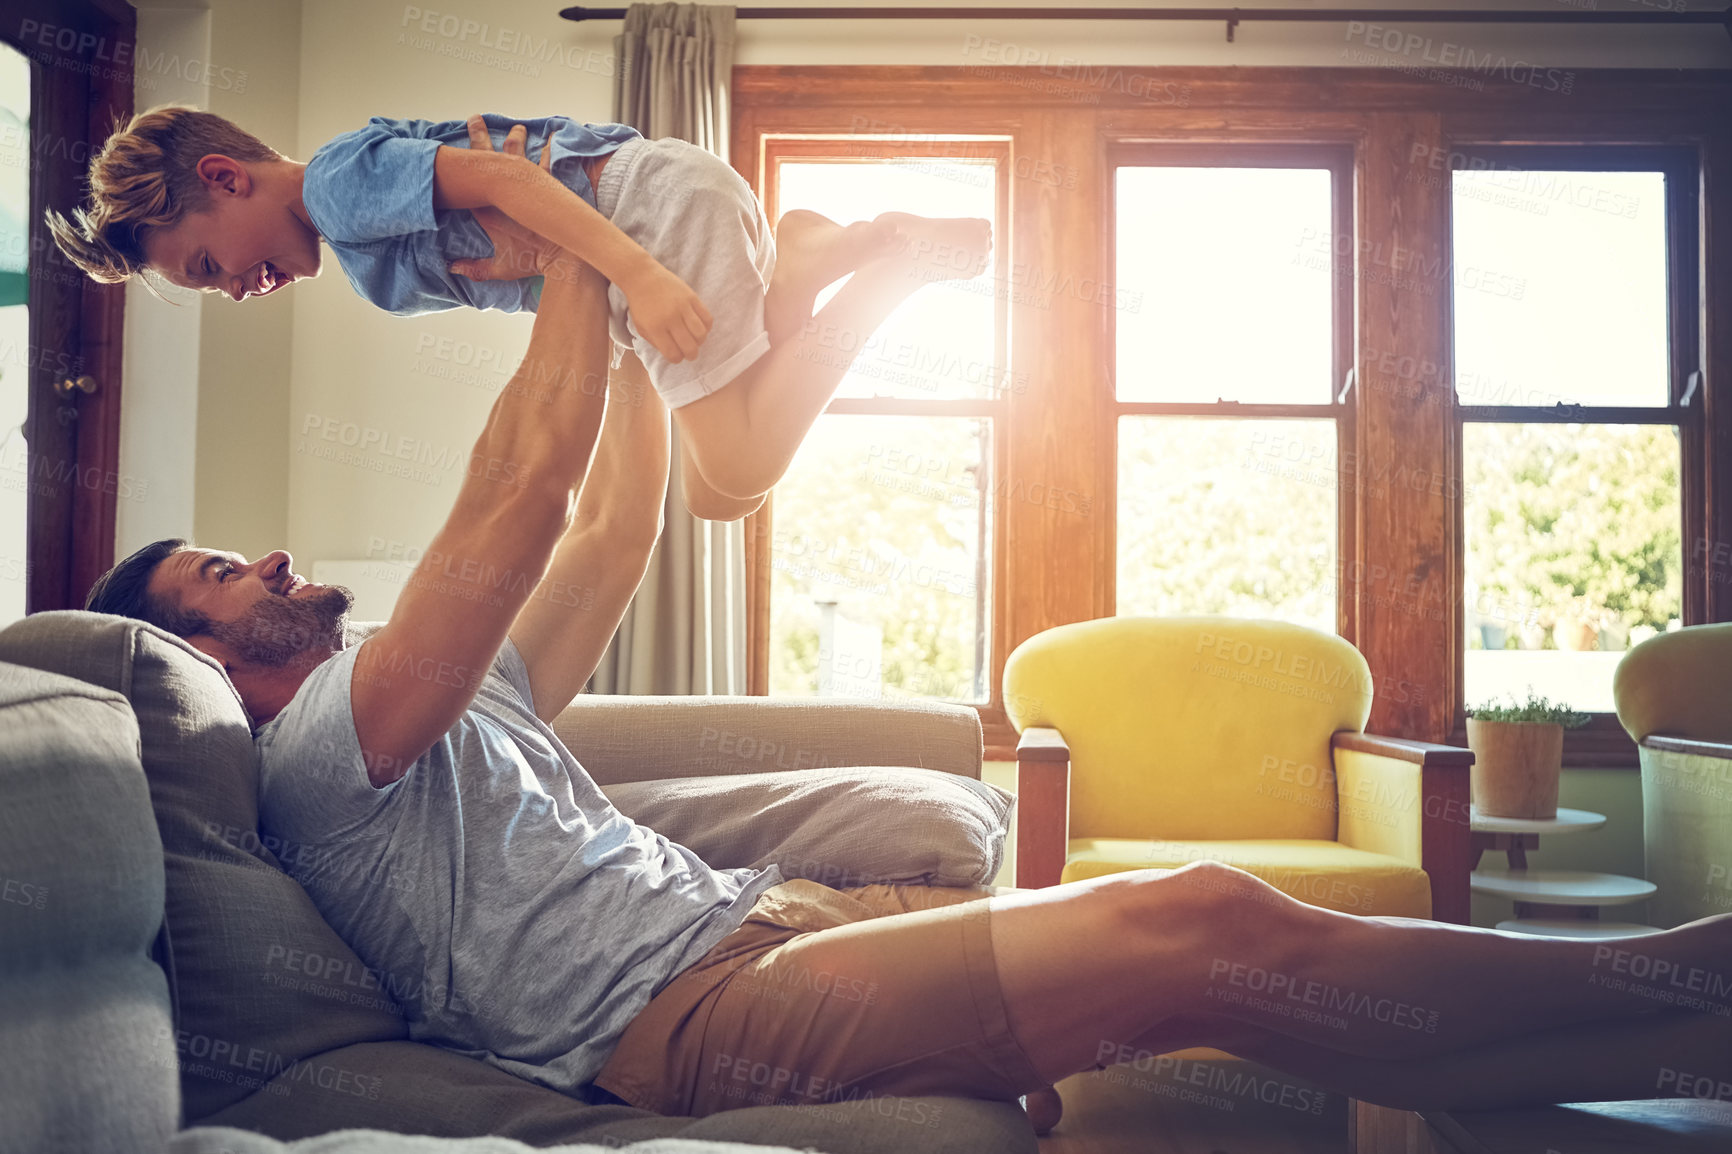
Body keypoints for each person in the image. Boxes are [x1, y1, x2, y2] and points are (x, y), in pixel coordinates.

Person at [82, 135, 1729, 1130]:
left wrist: (616, 305)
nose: (269, 555)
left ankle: (1645, 1032)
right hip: (683, 1021)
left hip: (756, 926)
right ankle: (1664, 975)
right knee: (1202, 917)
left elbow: (605, 523)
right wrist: (574, 248)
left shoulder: (456, 704)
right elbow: (515, 487)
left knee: (1211, 967)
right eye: (223, 571)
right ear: (212, 656)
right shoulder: (327, 748)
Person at [48, 106, 990, 523]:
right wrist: (621, 322)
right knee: (718, 494)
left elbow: (503, 176)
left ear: (225, 177)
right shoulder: (364, 261)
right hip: (645, 242)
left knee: (738, 461)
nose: (234, 288)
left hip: (646, 218)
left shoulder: (337, 184)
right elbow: (536, 273)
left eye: (211, 263)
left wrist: (643, 279)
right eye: (210, 289)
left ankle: (884, 275)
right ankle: (808, 262)